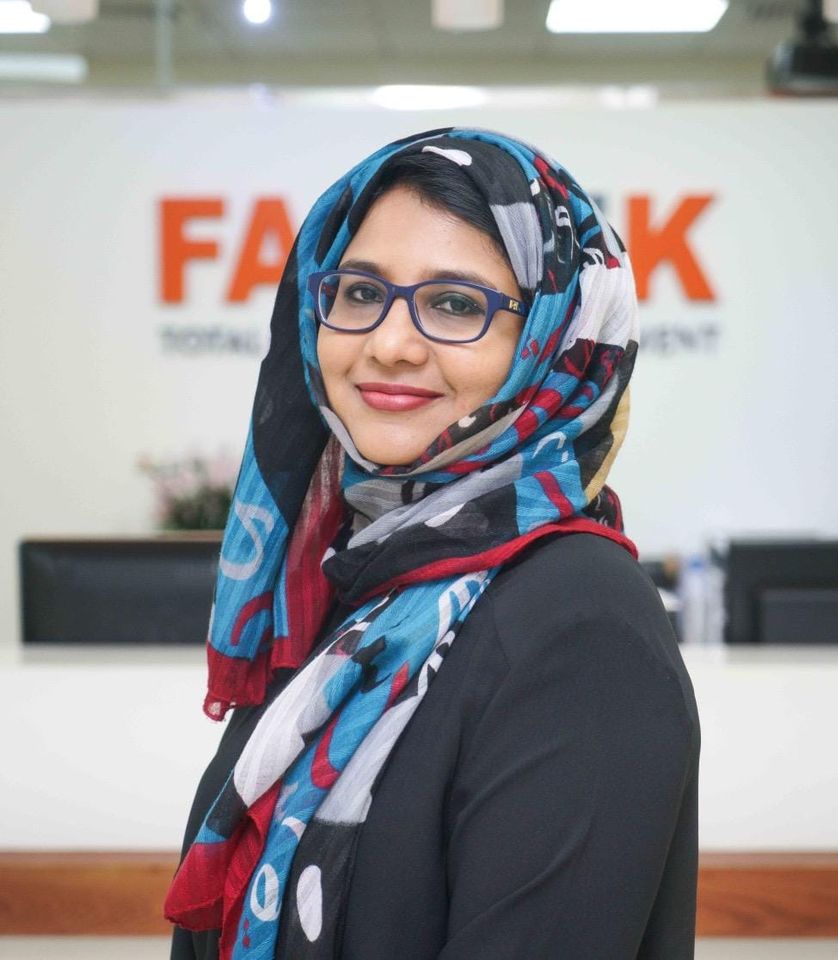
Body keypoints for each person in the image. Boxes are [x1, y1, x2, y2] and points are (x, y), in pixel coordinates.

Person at [165, 128, 700, 960]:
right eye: (359, 292)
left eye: (455, 304)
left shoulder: (582, 624)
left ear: (550, 341)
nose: (389, 343)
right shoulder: (349, 583)